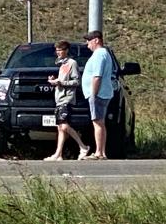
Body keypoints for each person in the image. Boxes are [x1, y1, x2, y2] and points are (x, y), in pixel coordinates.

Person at [44, 40, 91, 161]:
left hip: (67, 98)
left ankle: (83, 146)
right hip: (59, 99)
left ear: (66, 51)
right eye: (57, 50)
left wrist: (61, 82)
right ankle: (58, 154)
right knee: (60, 127)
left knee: (64, 126)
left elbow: (76, 81)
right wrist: (55, 80)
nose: (58, 52)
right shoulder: (62, 65)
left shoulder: (72, 63)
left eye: (60, 50)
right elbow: (62, 80)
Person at [82, 30, 114, 160]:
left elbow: (97, 76)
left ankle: (99, 152)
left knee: (98, 122)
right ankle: (100, 151)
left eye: (89, 40)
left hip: (98, 93)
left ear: (96, 40)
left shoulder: (99, 55)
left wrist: (93, 94)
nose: (87, 43)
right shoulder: (101, 54)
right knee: (99, 121)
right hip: (101, 93)